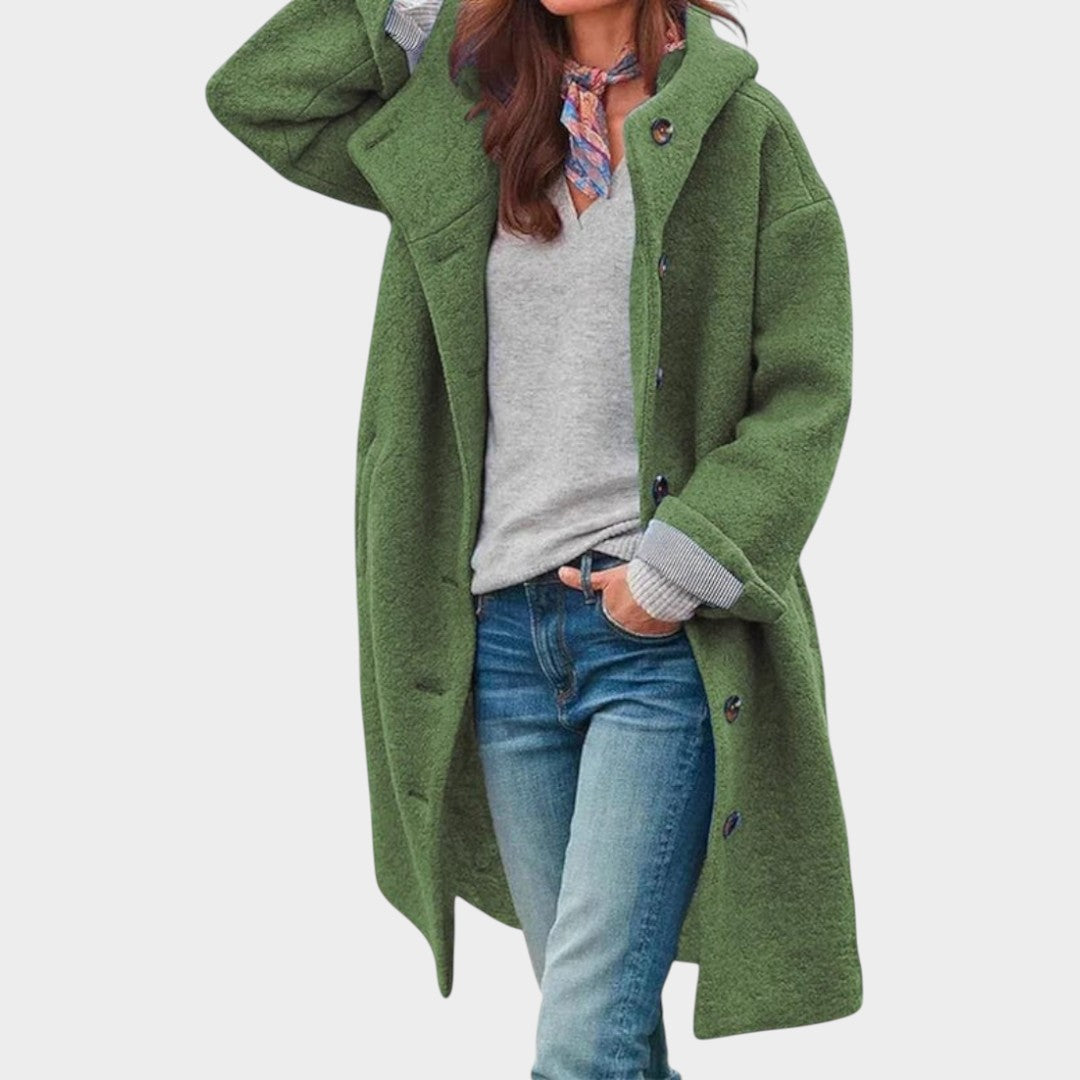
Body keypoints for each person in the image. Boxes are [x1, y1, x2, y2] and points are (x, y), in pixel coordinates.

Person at [205, 1, 863, 1075]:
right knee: (602, 1030)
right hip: (504, 643)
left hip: (655, 640)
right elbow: (260, 96)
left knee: (580, 1043)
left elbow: (806, 388)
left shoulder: (742, 136)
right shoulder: (475, 121)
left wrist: (675, 571)